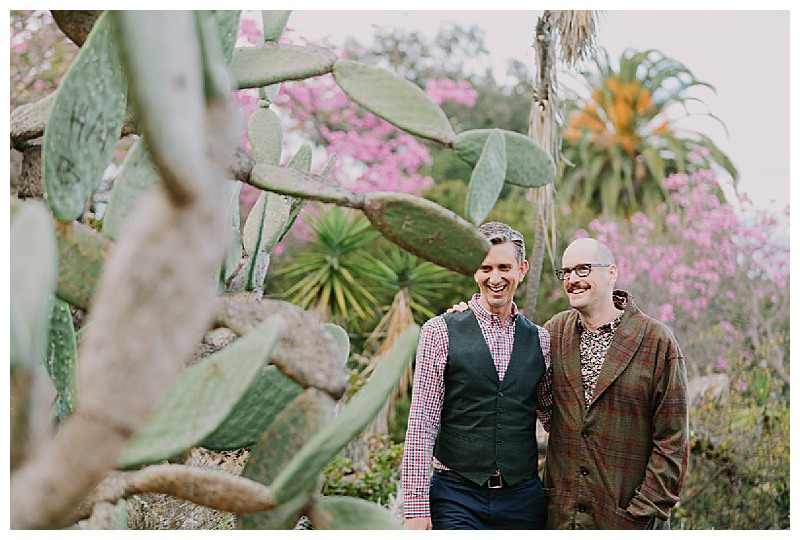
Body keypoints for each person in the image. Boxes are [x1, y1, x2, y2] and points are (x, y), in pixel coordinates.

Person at [401, 222, 552, 530]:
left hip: (523, 498)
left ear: (522, 269)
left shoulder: (542, 340)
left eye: (504, 267)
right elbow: (421, 424)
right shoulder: (439, 331)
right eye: (485, 268)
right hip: (456, 496)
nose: (495, 278)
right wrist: (415, 508)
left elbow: (555, 419)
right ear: (474, 270)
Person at [542, 237, 689, 529]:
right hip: (561, 516)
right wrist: (467, 320)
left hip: (627, 517)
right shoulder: (553, 333)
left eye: (583, 269)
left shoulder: (656, 341)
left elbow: (672, 440)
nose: (572, 280)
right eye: (566, 272)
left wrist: (645, 509)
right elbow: (506, 370)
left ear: (611, 273)